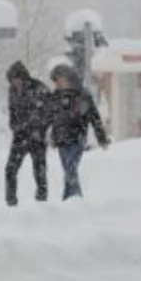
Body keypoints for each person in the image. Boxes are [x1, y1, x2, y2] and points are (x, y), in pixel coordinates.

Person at [50, 64, 110, 200]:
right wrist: (51, 136)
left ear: (68, 78)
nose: (57, 84)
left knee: (71, 169)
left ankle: (75, 198)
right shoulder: (55, 96)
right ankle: (69, 199)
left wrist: (102, 139)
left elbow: (94, 118)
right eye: (55, 81)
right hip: (61, 140)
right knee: (68, 171)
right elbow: (52, 118)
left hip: (77, 138)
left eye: (59, 80)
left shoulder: (83, 95)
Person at [5, 61, 52, 206]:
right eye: (12, 81)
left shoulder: (40, 88)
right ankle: (10, 201)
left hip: (37, 136)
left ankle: (42, 201)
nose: (15, 83)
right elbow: (12, 110)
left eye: (16, 79)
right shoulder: (12, 91)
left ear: (23, 77)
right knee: (10, 169)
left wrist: (40, 128)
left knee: (39, 170)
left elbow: (50, 112)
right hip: (19, 136)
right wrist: (13, 125)